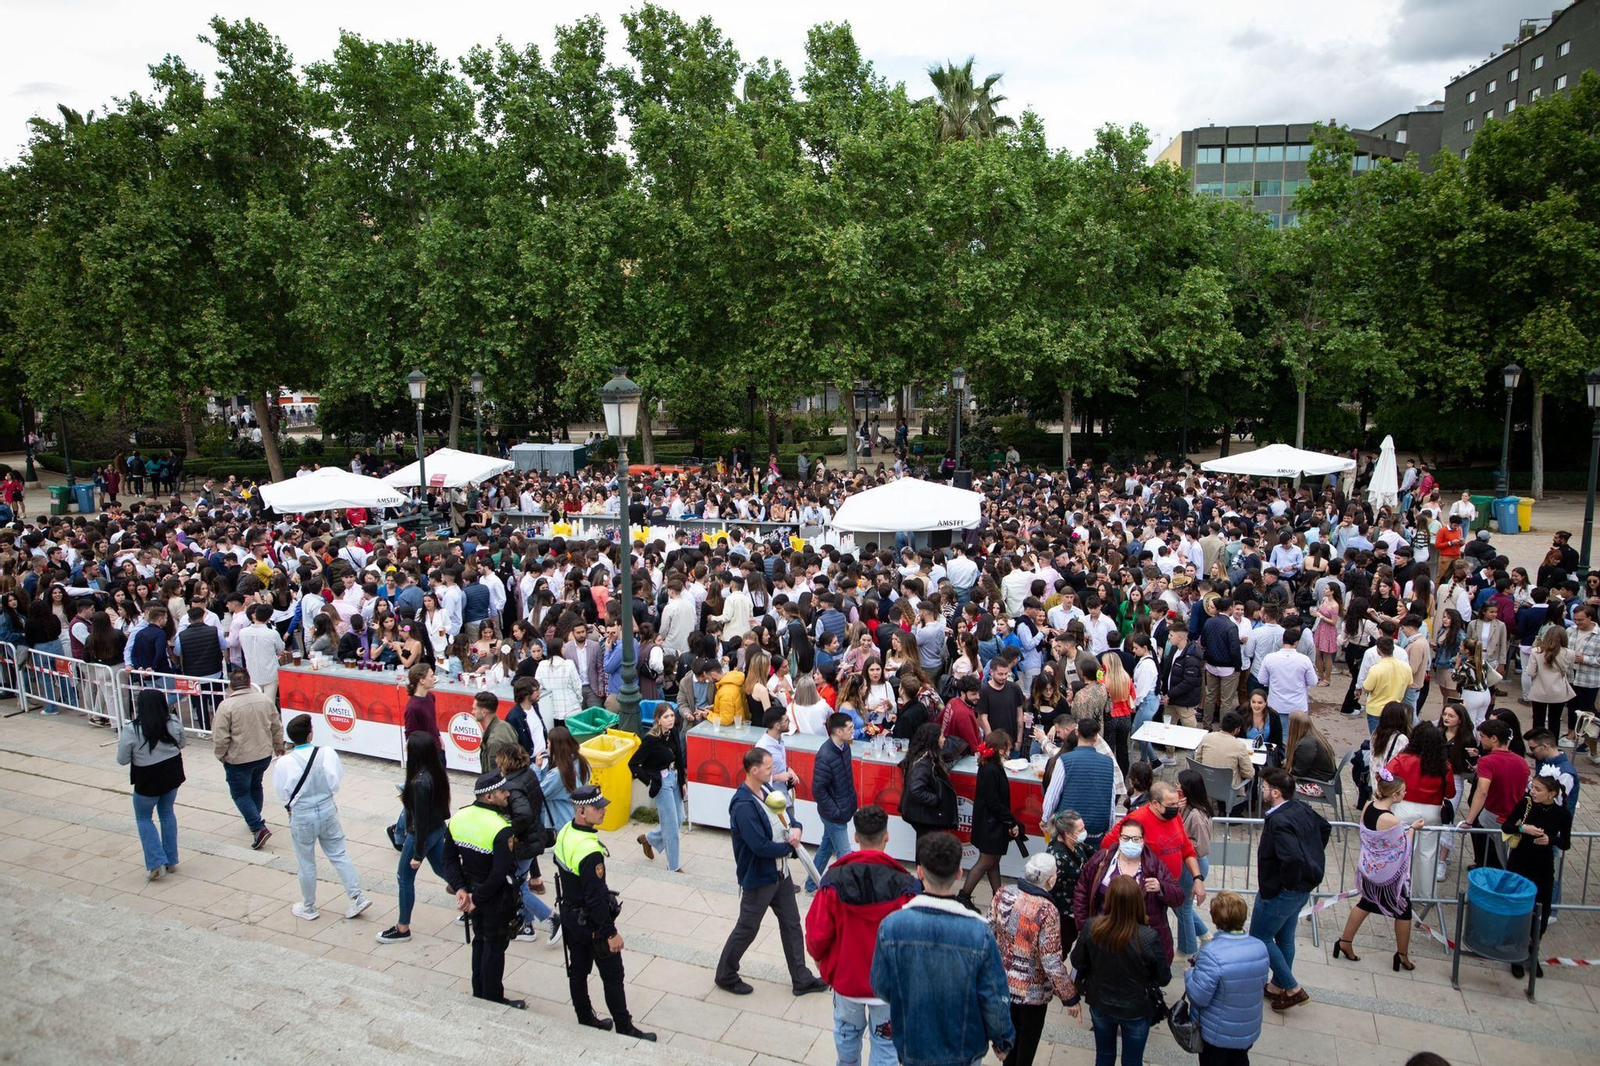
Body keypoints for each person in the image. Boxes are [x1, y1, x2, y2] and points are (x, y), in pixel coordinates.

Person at [871, 832, 1016, 1066]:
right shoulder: (979, 933)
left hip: (912, 1045)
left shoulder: (892, 926)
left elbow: (881, 986)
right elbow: (994, 997)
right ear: (959, 873)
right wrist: (1003, 1039)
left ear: (919, 872)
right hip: (964, 1050)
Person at [804, 805, 919, 1066]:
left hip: (847, 982)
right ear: (887, 836)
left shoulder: (834, 879)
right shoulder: (906, 887)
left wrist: (821, 962)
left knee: (846, 1042)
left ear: (855, 837)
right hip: (888, 986)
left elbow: (817, 933)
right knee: (887, 1049)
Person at [714, 747, 830, 997]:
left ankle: (801, 978)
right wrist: (790, 850)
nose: (772, 771)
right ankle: (725, 973)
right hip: (760, 876)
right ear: (753, 770)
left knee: (791, 923)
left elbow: (786, 816)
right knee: (748, 927)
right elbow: (758, 846)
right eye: (768, 767)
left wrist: (796, 828)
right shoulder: (743, 805)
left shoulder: (766, 789)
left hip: (780, 874)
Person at [551, 784, 656, 1038]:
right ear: (581, 811)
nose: (603, 811)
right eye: (597, 808)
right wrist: (610, 933)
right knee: (612, 975)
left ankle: (585, 1018)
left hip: (570, 914)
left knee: (578, 969)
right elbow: (595, 898)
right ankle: (625, 1027)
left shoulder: (565, 832)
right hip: (592, 923)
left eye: (603, 806)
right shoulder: (590, 851)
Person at [273, 713, 373, 922]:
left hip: (302, 814)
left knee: (306, 862)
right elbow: (336, 781)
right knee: (339, 854)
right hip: (327, 808)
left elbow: (282, 794)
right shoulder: (327, 753)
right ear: (310, 735)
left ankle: (308, 906)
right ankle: (356, 896)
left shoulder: (283, 763)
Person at [441, 771, 524, 1009]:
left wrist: (460, 889)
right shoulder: (501, 828)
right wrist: (477, 897)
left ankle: (479, 990)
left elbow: (448, 858)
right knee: (495, 945)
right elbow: (500, 872)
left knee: (479, 940)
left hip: (472, 891)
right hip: (494, 896)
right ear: (489, 797)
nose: (507, 794)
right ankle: (493, 998)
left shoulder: (460, 817)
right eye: (502, 791)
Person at [1069, 876, 1171, 1066]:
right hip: (1136, 1008)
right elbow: (1163, 977)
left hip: (1101, 1003)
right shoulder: (1148, 937)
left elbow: (1077, 960)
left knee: (1104, 1056)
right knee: (1133, 1061)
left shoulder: (1093, 927)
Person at [1250, 767, 1329, 1012]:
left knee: (1260, 938)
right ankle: (1276, 986)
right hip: (1300, 889)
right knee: (1284, 937)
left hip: (1282, 891)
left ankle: (1292, 988)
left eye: (1264, 788)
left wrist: (1286, 881)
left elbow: (1292, 857)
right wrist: (1312, 857)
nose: (1261, 791)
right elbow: (1324, 829)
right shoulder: (1300, 808)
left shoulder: (1280, 821)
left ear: (1275, 792)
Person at [990, 852, 1079, 1066]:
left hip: (1003, 985)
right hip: (1033, 994)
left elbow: (989, 930)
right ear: (1050, 879)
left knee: (1009, 1043)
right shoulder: (1047, 910)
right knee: (1026, 1045)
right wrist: (1069, 996)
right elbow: (1051, 960)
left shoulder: (1003, 893)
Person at [1331, 768, 1424, 972]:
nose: (1405, 794)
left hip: (1369, 869)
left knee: (1365, 903)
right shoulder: (1392, 821)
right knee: (1403, 912)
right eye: (1403, 792)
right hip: (1388, 876)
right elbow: (1403, 848)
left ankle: (1345, 941)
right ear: (1394, 795)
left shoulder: (1368, 807)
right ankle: (1402, 956)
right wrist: (1413, 830)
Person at [375, 731, 454, 945]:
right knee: (442, 870)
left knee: (404, 878)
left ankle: (403, 928)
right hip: (438, 829)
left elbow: (420, 821)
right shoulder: (435, 770)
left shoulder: (420, 781)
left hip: (423, 834)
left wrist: (418, 854)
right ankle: (472, 896)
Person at [1074, 817, 1184, 963]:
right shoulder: (1102, 860)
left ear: (1143, 840)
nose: (1130, 842)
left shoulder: (1154, 866)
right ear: (1119, 838)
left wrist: (1161, 887)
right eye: (1125, 838)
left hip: (1139, 943)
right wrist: (1084, 927)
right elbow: (1081, 893)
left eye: (1135, 838)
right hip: (1103, 936)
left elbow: (1178, 897)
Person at [1184, 891, 1270, 1066]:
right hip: (1247, 1029)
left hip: (1217, 1033)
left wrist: (1189, 974)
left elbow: (1199, 996)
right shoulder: (1259, 947)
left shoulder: (1211, 953)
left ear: (1215, 920)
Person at [1503, 772, 1572, 980]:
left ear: (1552, 794)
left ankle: (1533, 953)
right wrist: (1523, 828)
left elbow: (1565, 843)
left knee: (1541, 912)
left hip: (1543, 867)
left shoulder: (1562, 815)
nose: (1532, 792)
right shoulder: (1525, 805)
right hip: (1520, 862)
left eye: (1538, 789)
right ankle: (1516, 954)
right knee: (1518, 909)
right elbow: (1507, 826)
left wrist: (1550, 840)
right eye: (1532, 787)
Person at [210, 670, 285, 851]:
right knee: (255, 786)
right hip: (263, 754)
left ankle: (257, 827)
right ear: (250, 682)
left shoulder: (226, 706)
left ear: (231, 685)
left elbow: (220, 736)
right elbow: (276, 725)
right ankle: (255, 817)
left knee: (240, 793)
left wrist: (220, 755)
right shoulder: (265, 700)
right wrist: (278, 746)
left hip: (239, 758)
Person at [116, 689, 187, 880]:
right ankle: (171, 859)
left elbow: (122, 759)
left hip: (147, 778)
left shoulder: (132, 729)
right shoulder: (173, 722)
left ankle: (156, 862)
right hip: (172, 774)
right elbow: (182, 743)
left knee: (143, 818)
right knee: (167, 812)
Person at [1384, 722, 1455, 906]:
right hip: (1431, 812)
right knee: (1428, 854)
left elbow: (1384, 776)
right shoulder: (1444, 765)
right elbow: (1451, 793)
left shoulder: (1402, 759)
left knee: (1399, 851)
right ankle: (1424, 896)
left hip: (1404, 808)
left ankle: (1393, 890)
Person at [498, 743, 560, 943]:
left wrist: (510, 830)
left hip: (523, 842)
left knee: (516, 887)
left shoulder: (512, 786)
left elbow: (522, 815)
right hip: (534, 837)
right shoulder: (528, 774)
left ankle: (551, 918)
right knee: (520, 882)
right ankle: (526, 925)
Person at [1456, 718, 1529, 869]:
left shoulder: (1487, 762)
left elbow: (1482, 790)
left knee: (1489, 864)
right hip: (1513, 820)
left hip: (1491, 818)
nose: (1480, 740)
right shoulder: (1521, 762)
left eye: (1482, 736)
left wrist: (1469, 820)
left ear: (1494, 738)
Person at [629, 706, 686, 873]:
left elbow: (679, 758)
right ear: (658, 719)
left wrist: (682, 781)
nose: (670, 719)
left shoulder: (674, 731)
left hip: (675, 778)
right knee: (671, 829)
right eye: (666, 717)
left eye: (671, 716)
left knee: (679, 819)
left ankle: (648, 839)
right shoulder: (650, 740)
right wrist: (651, 780)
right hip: (662, 783)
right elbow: (633, 764)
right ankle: (673, 867)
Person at [1040, 716, 1118, 838]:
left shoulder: (1064, 760)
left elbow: (1052, 795)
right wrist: (1109, 828)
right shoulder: (1109, 763)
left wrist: (1045, 819)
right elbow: (1111, 799)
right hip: (1096, 830)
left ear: (1077, 732)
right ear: (1096, 737)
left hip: (1068, 831)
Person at [808, 711, 859, 893]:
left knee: (825, 848)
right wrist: (835, 811)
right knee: (845, 854)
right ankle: (850, 891)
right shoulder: (826, 755)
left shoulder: (845, 747)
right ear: (838, 731)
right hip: (833, 814)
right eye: (850, 728)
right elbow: (818, 789)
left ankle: (811, 883)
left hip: (843, 807)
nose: (853, 730)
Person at [1043, 809, 1097, 951]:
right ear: (1067, 833)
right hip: (1064, 914)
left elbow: (1095, 854)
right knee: (1062, 949)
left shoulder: (1076, 844)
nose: (1084, 831)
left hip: (1076, 908)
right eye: (1081, 829)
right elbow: (1048, 887)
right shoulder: (1058, 857)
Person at [1175, 768, 1214, 956]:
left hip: (1192, 866)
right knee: (1182, 907)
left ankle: (1187, 950)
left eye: (1179, 786)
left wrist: (1182, 843)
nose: (1175, 788)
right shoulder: (1187, 809)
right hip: (1186, 865)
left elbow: (1202, 848)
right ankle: (1203, 933)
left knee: (1183, 909)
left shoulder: (1197, 816)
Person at [898, 720, 958, 839]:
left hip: (924, 816)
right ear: (933, 739)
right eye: (941, 736)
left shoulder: (926, 757)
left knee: (924, 848)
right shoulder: (923, 763)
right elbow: (915, 789)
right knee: (927, 850)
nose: (944, 739)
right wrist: (936, 800)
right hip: (926, 817)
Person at [472, 690, 518, 775]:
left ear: (484, 712)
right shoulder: (506, 725)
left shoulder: (494, 742)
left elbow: (494, 775)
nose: (472, 712)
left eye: (474, 709)